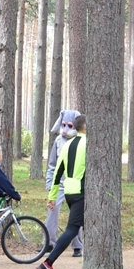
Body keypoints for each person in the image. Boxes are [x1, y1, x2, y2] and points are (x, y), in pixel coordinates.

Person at [38, 114, 87, 269]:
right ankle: (48, 263)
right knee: (72, 229)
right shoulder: (88, 144)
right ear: (85, 126)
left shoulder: (66, 146)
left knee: (86, 224)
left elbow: (57, 173)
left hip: (69, 192)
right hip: (82, 191)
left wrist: (52, 197)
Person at [45, 109, 84, 258]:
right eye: (63, 125)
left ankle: (77, 246)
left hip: (75, 184)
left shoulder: (81, 140)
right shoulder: (58, 141)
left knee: (76, 216)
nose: (66, 129)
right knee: (52, 212)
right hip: (59, 184)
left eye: (70, 125)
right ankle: (48, 242)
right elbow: (52, 164)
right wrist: (50, 183)